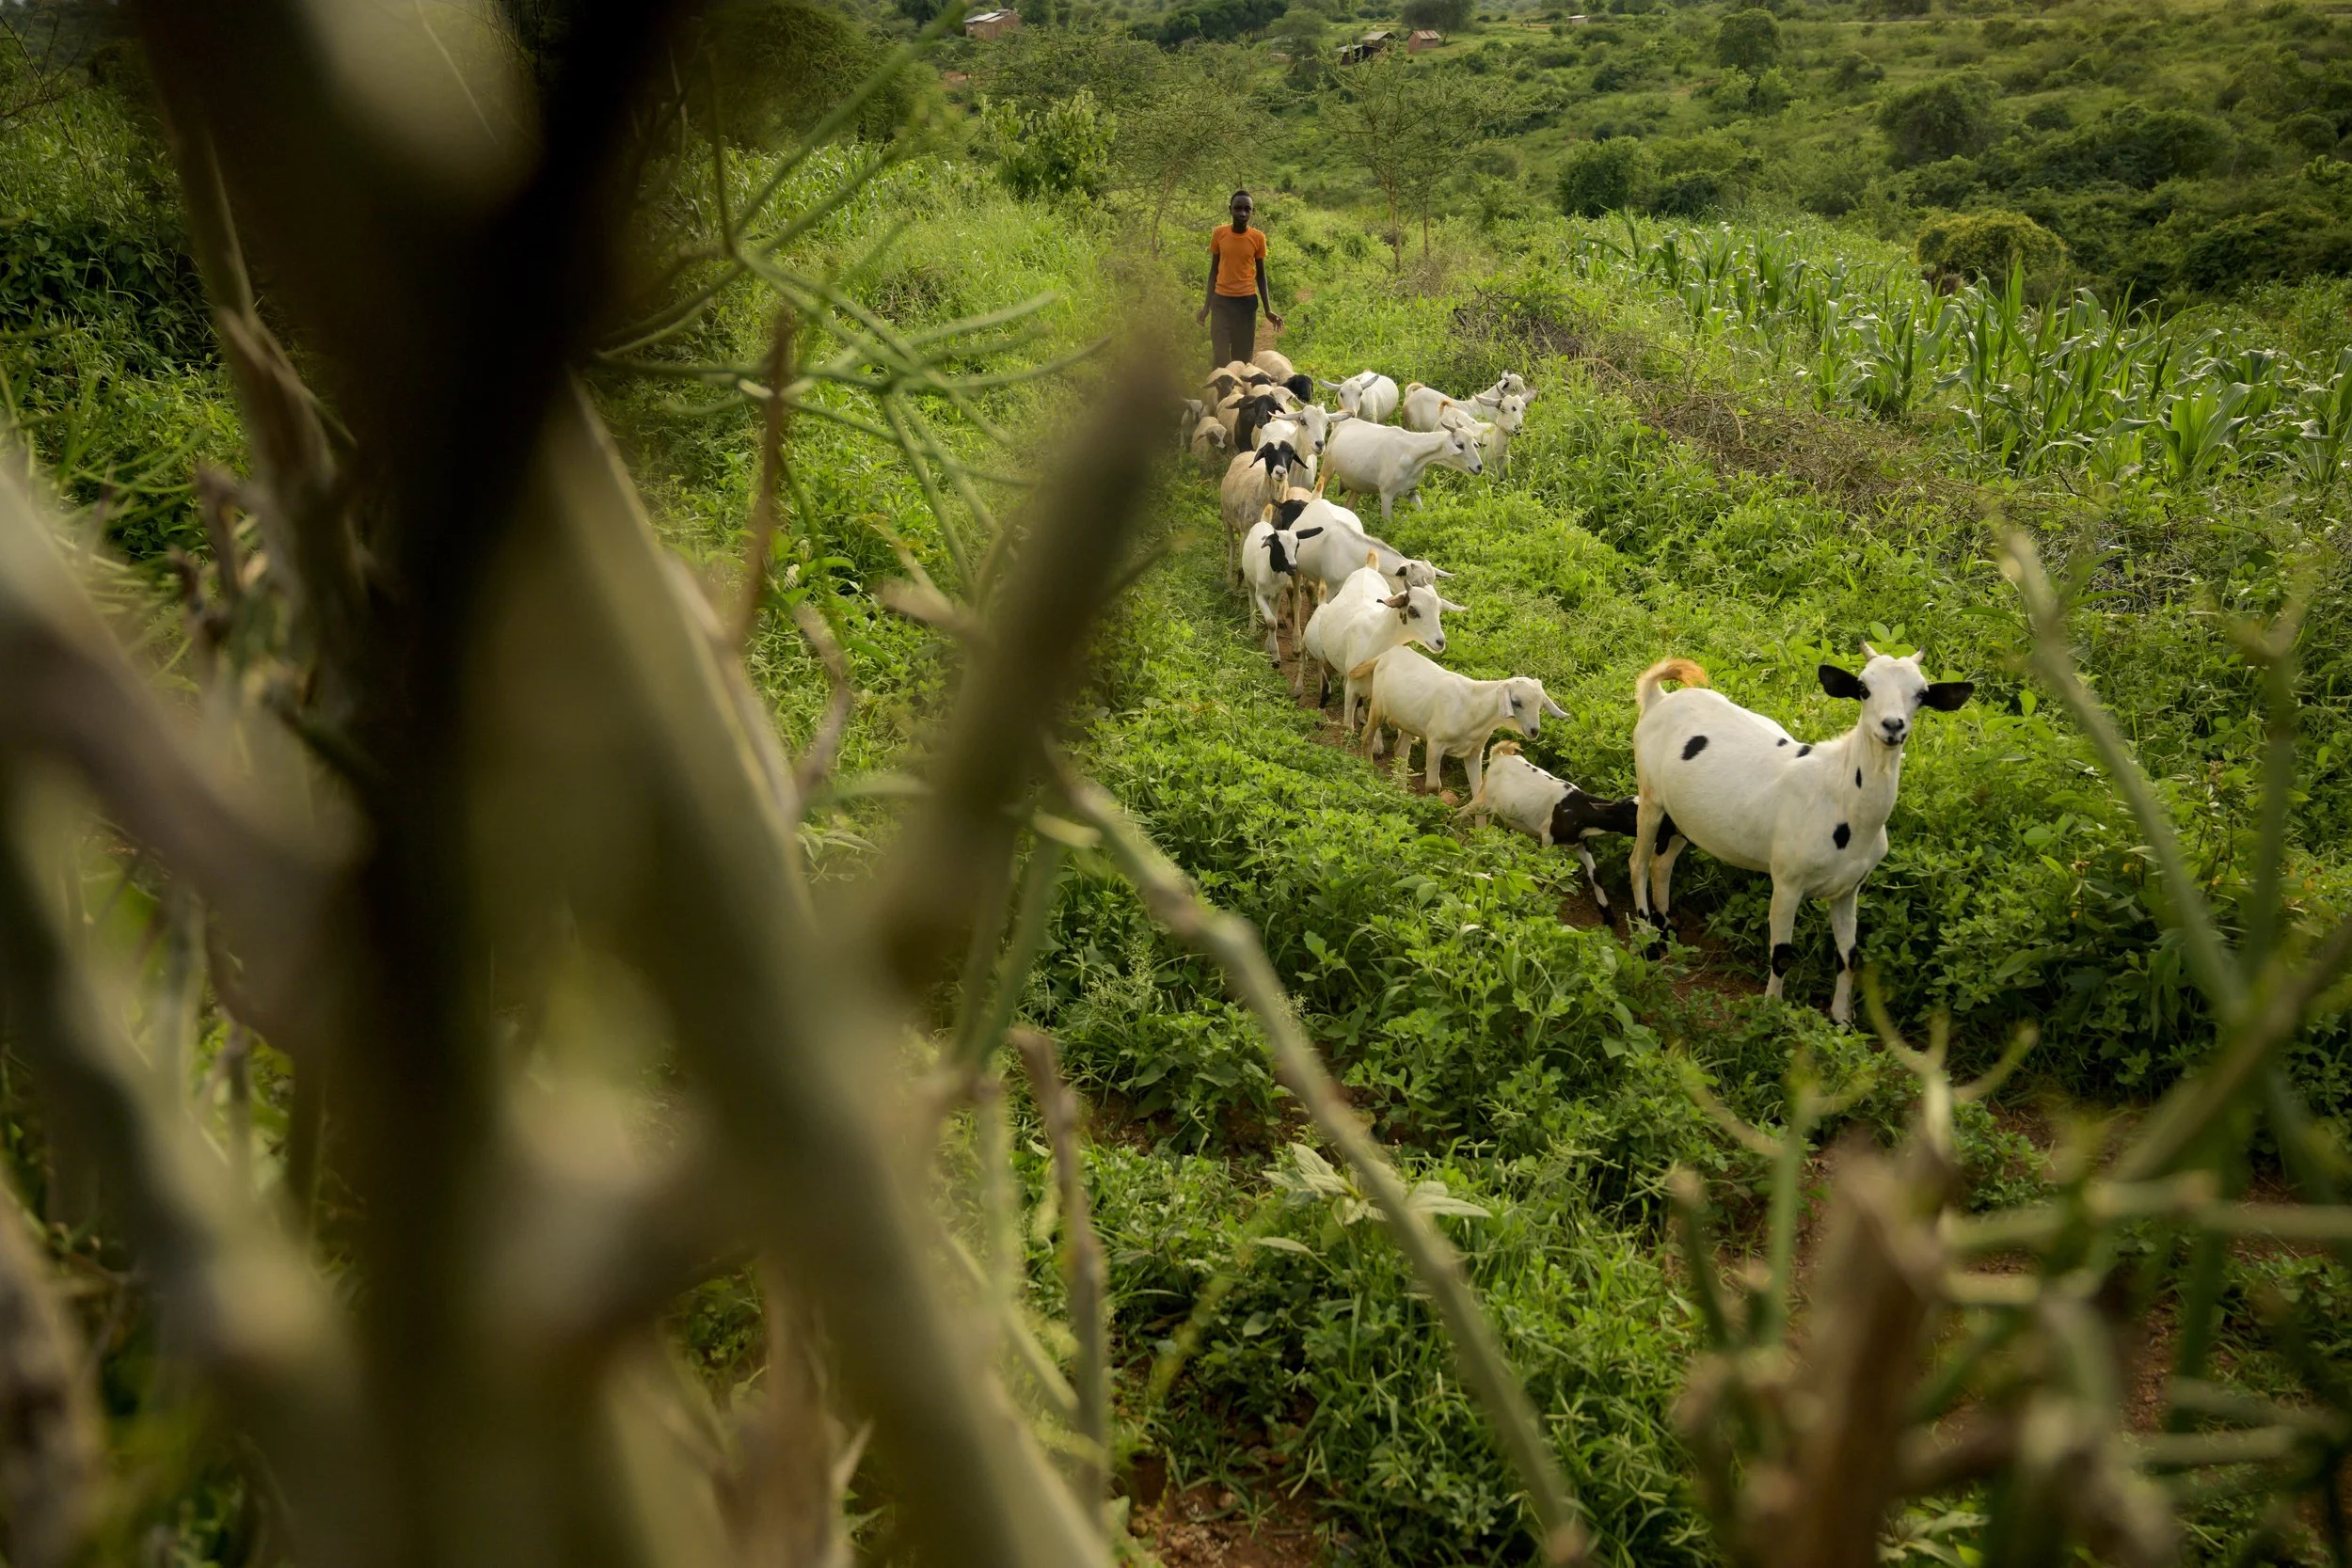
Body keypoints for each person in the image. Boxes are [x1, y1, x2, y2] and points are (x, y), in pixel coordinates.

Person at [1197, 189, 1282, 370]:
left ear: (1253, 211)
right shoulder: (1219, 234)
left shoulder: (1257, 238)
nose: (1242, 213)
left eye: (1247, 209)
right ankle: (1218, 397)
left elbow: (1261, 275)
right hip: (1221, 302)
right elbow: (1214, 270)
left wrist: (1268, 310)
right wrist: (1206, 306)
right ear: (1230, 209)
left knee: (1242, 362)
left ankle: (1239, 397)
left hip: (1246, 305)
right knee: (1220, 358)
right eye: (1238, 208)